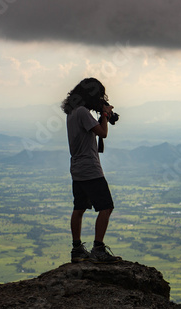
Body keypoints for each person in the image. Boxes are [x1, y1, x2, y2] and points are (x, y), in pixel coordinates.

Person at [61, 77, 122, 263]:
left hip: (77, 169)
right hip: (90, 169)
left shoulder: (72, 112)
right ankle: (98, 248)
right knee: (106, 207)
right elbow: (103, 133)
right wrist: (104, 115)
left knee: (79, 208)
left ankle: (77, 249)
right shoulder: (83, 112)